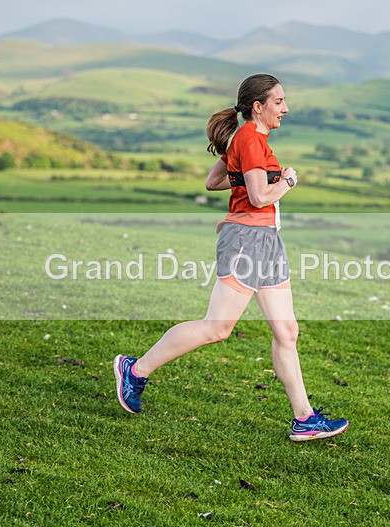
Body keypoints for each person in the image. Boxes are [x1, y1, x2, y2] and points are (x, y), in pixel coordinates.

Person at [114, 73, 349, 442]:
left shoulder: (246, 139)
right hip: (247, 239)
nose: (285, 108)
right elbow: (258, 198)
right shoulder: (251, 140)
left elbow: (214, 181)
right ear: (258, 106)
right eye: (278, 102)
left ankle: (304, 418)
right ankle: (136, 370)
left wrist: (242, 174)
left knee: (287, 331)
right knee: (217, 328)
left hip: (267, 240)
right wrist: (287, 181)